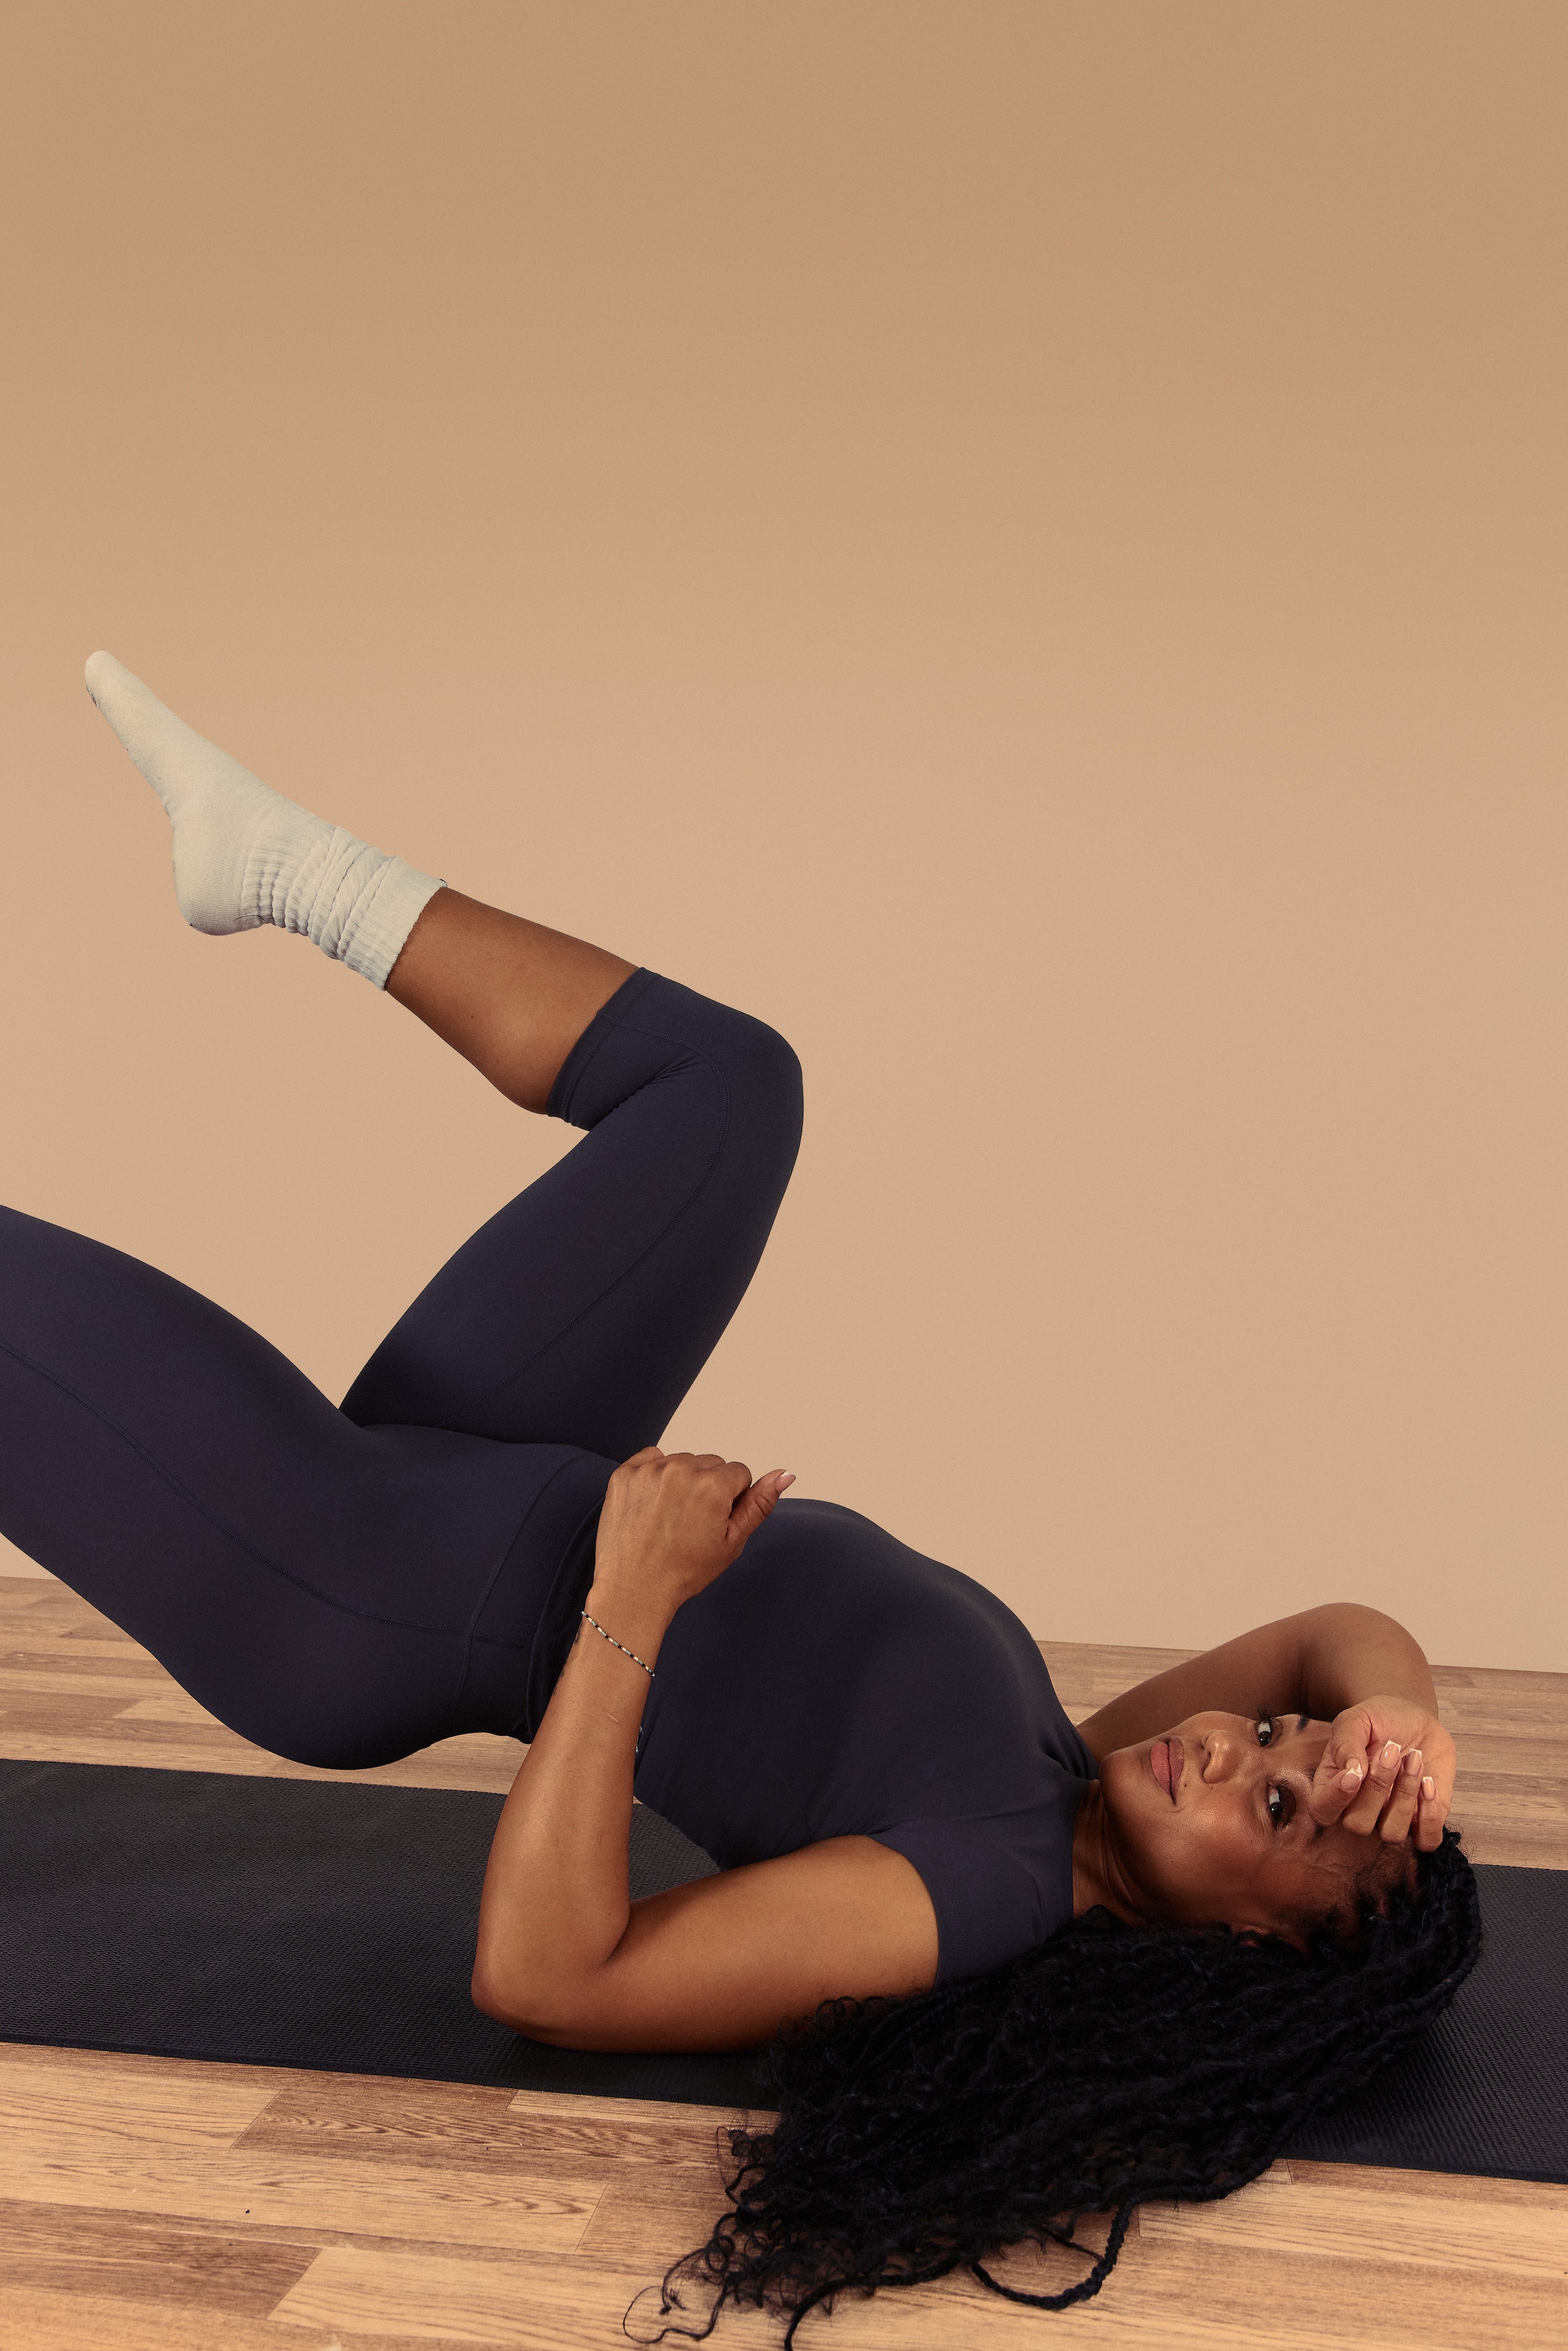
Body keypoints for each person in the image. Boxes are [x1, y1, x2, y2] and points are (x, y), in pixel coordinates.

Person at [3, 655, 1480, 2340]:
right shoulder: (1073, 1784)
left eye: (1278, 1812)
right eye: (1290, 1754)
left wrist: (630, 1601)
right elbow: (1319, 1635)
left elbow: (550, 1977)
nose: (1246, 1748)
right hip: (500, 1472)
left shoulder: (979, 1897)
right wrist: (1399, 1720)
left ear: (1252, 1953)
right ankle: (274, 864)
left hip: (343, 1580)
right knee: (732, 1089)